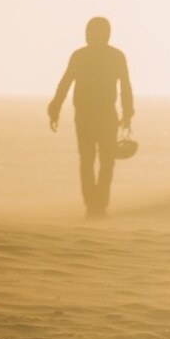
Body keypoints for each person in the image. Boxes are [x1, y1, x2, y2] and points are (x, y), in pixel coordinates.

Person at [48, 17, 134, 219]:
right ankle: (95, 205)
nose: (94, 36)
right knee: (94, 160)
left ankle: (97, 205)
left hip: (100, 115)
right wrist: (55, 107)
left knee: (98, 160)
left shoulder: (107, 56)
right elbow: (66, 82)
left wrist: (128, 113)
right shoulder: (96, 56)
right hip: (91, 116)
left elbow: (125, 86)